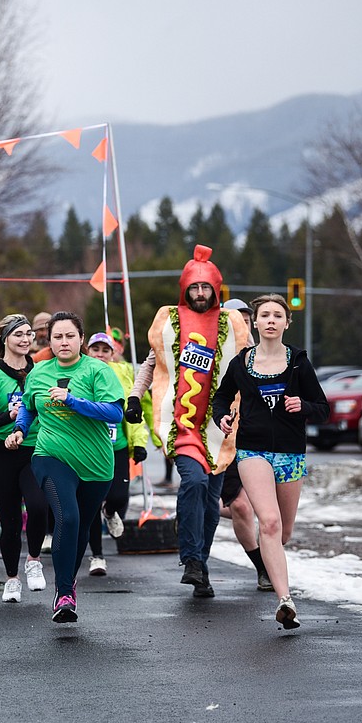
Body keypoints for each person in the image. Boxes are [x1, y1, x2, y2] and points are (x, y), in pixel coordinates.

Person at [125, 246, 250, 598]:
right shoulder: (169, 322)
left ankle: (201, 567)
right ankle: (191, 558)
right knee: (193, 482)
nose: (199, 294)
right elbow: (151, 364)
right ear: (184, 289)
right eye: (193, 288)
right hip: (180, 422)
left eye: (205, 288)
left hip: (221, 426)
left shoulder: (232, 325)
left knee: (211, 503)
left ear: (215, 290)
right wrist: (134, 396)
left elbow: (251, 363)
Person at [214, 294, 328, 629]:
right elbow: (221, 396)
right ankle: (285, 600)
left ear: (286, 323)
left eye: (278, 315)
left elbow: (322, 407)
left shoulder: (298, 363)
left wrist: (302, 407)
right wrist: (222, 416)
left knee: (283, 531)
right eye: (265, 315)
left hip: (291, 453)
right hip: (253, 451)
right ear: (256, 321)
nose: (271, 320)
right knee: (270, 523)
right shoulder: (241, 363)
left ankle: (272, 565)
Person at [6, 312, 124, 623]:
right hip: (50, 456)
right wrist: (19, 429)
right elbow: (29, 409)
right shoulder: (39, 372)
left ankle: (68, 583)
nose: (63, 342)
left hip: (96, 463)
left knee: (82, 527)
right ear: (49, 340)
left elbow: (114, 413)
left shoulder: (97, 370)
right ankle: (64, 593)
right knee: (67, 518)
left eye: (70, 336)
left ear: (81, 339)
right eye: (57, 336)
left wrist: (73, 400)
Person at [0, 314, 48, 603]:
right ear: (4, 340)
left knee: (39, 507)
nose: (26, 339)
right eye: (19, 334)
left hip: (34, 448)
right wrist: (10, 416)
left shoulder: (40, 371)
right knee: (11, 520)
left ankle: (34, 560)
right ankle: (12, 579)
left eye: (29, 334)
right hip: (0, 453)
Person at [218, 298, 273, 591]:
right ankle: (262, 568)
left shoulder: (261, 351)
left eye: (246, 319)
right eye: (235, 319)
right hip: (224, 440)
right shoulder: (211, 347)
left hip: (257, 438)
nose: (242, 324)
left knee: (261, 510)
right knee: (240, 507)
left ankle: (203, 508)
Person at [85, 332, 149, 576]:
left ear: (113, 354)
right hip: (89, 449)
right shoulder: (80, 374)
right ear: (88, 352)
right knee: (90, 504)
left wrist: (140, 442)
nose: (100, 355)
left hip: (117, 447)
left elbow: (133, 413)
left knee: (119, 497)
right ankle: (97, 557)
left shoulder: (123, 374)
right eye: (95, 350)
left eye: (105, 350)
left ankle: (109, 512)